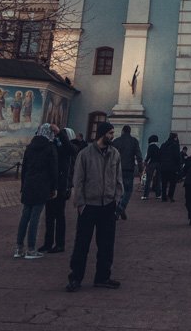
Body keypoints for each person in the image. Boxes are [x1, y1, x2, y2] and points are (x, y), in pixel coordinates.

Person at [67, 121, 122, 292]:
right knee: (82, 244)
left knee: (106, 244)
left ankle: (102, 277)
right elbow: (78, 180)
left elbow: (118, 179)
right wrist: (80, 204)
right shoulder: (85, 154)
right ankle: (75, 278)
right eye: (110, 133)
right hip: (89, 206)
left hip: (108, 205)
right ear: (102, 134)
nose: (112, 136)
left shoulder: (115, 154)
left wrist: (117, 200)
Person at [15, 123, 58, 259]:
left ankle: (19, 248)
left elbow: (24, 169)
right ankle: (31, 249)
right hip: (42, 186)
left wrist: (23, 185)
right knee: (35, 218)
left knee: (25, 217)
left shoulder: (30, 147)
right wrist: (54, 187)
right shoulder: (50, 147)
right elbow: (53, 170)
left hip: (28, 184)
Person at [40, 127, 78, 253]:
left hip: (62, 186)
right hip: (51, 185)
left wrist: (60, 133)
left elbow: (69, 147)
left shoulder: (69, 148)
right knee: (49, 216)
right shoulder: (54, 146)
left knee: (59, 216)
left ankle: (60, 244)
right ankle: (48, 243)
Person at [110, 125, 143, 220]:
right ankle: (120, 208)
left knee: (117, 190)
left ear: (122, 131)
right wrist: (140, 169)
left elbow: (110, 155)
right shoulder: (134, 141)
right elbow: (139, 156)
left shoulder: (116, 141)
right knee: (127, 191)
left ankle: (120, 209)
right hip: (129, 169)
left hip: (116, 169)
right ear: (130, 131)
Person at [158, 132, 182, 203]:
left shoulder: (163, 145)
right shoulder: (175, 145)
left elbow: (160, 155)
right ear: (175, 137)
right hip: (172, 167)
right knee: (172, 183)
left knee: (164, 183)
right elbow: (177, 157)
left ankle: (163, 197)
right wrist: (179, 167)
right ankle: (170, 196)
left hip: (163, 167)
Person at [141, 135, 160, 200]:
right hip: (159, 164)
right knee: (157, 180)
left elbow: (149, 155)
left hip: (152, 164)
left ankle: (146, 195)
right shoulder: (158, 147)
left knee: (148, 180)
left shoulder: (150, 146)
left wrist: (145, 162)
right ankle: (158, 195)